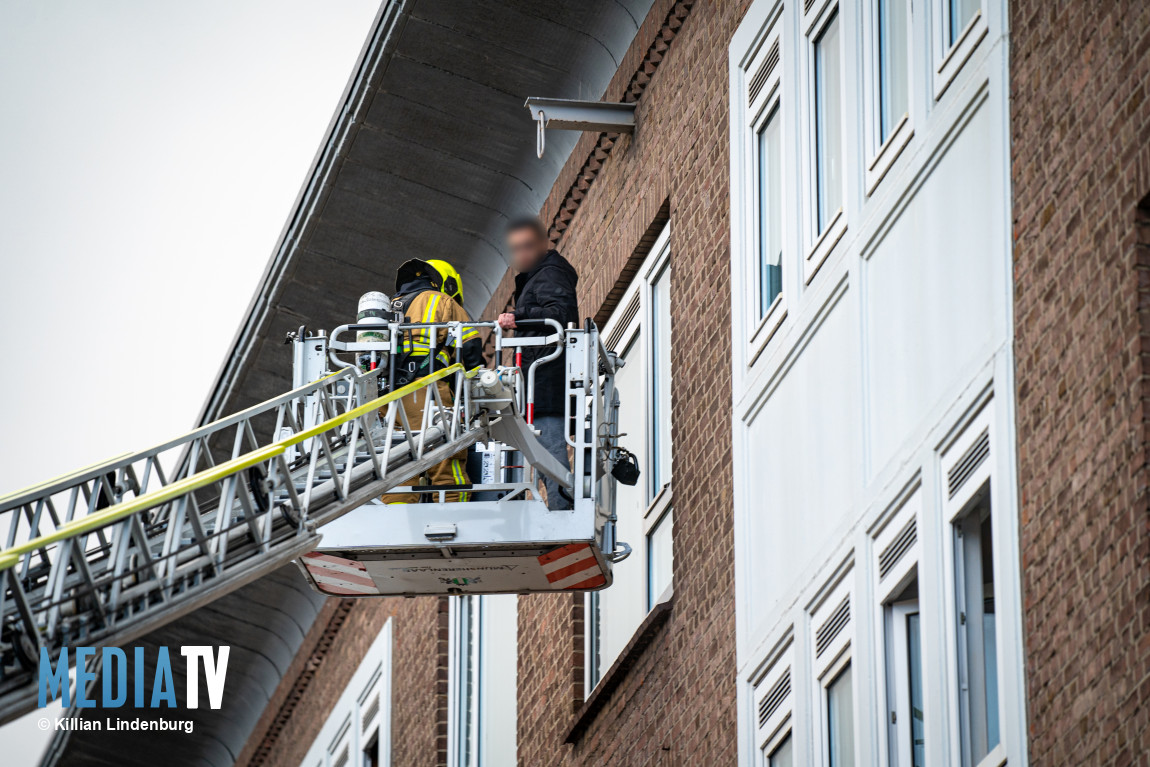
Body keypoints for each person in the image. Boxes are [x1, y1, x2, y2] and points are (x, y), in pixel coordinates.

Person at [384, 258, 483, 504]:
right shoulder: (442, 301)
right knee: (444, 457)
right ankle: (455, 517)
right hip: (426, 389)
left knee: (399, 465)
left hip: (385, 397)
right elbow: (469, 345)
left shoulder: (387, 307)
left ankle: (396, 525)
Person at [498, 217, 579, 510]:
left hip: (547, 388)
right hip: (541, 386)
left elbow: (560, 314)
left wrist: (518, 318)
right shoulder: (538, 276)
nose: (522, 254)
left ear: (544, 244)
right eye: (516, 249)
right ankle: (561, 510)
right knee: (546, 461)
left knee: (551, 460)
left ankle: (564, 515)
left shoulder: (550, 274)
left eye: (528, 246)